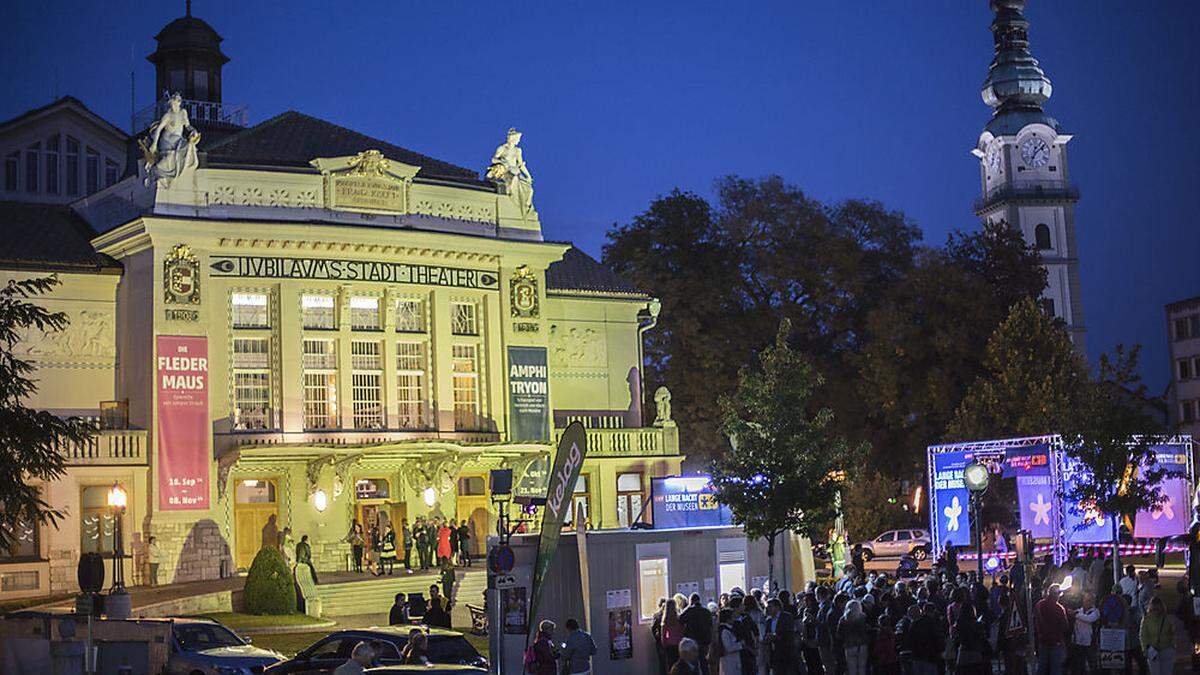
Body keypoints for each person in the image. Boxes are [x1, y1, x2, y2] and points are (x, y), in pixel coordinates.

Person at [1035, 583, 1069, 675]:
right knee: (1055, 669)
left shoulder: (1039, 605)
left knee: (1041, 667)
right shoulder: (1059, 609)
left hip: (1043, 640)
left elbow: (1036, 621)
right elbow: (1065, 626)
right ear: (1057, 595)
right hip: (1056, 641)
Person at [1139, 596, 1174, 675]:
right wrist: (1145, 650)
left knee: (1166, 672)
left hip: (1166, 649)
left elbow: (1172, 632)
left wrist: (1173, 645)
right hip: (1152, 650)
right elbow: (1143, 635)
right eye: (1154, 609)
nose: (1156, 612)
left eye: (1157, 609)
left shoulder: (1167, 618)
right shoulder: (1146, 619)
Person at [680, 593, 714, 672]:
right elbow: (710, 625)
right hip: (705, 640)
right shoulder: (706, 611)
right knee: (704, 663)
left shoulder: (689, 610)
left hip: (693, 640)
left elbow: (681, 619)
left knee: (693, 664)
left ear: (691, 601)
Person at [764, 597, 796, 675]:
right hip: (774, 653)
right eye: (767, 607)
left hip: (786, 651)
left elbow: (790, 633)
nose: (768, 609)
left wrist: (777, 637)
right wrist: (768, 637)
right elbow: (767, 634)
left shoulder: (786, 617)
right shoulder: (769, 620)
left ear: (777, 607)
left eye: (770, 607)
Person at [1069, 593, 1099, 674]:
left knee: (1093, 666)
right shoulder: (1079, 611)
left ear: (1093, 601)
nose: (1087, 602)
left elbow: (1089, 619)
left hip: (1090, 644)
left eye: (1089, 600)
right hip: (1079, 643)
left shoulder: (1095, 612)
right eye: (1085, 599)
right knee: (1079, 666)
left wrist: (1075, 614)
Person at [838, 599, 868, 675]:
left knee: (852, 670)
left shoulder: (843, 619)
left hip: (849, 645)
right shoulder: (863, 617)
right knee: (862, 669)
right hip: (862, 645)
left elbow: (838, 634)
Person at [717, 608, 745, 675]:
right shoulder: (724, 631)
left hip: (733, 661)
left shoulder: (730, 629)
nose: (734, 619)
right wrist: (740, 644)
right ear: (727, 618)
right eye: (732, 617)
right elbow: (728, 648)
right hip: (728, 661)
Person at [662, 597, 684, 672]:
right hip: (679, 644)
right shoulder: (679, 618)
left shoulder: (665, 620)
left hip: (669, 644)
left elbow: (663, 635)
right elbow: (682, 631)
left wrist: (664, 644)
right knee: (679, 665)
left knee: (671, 664)